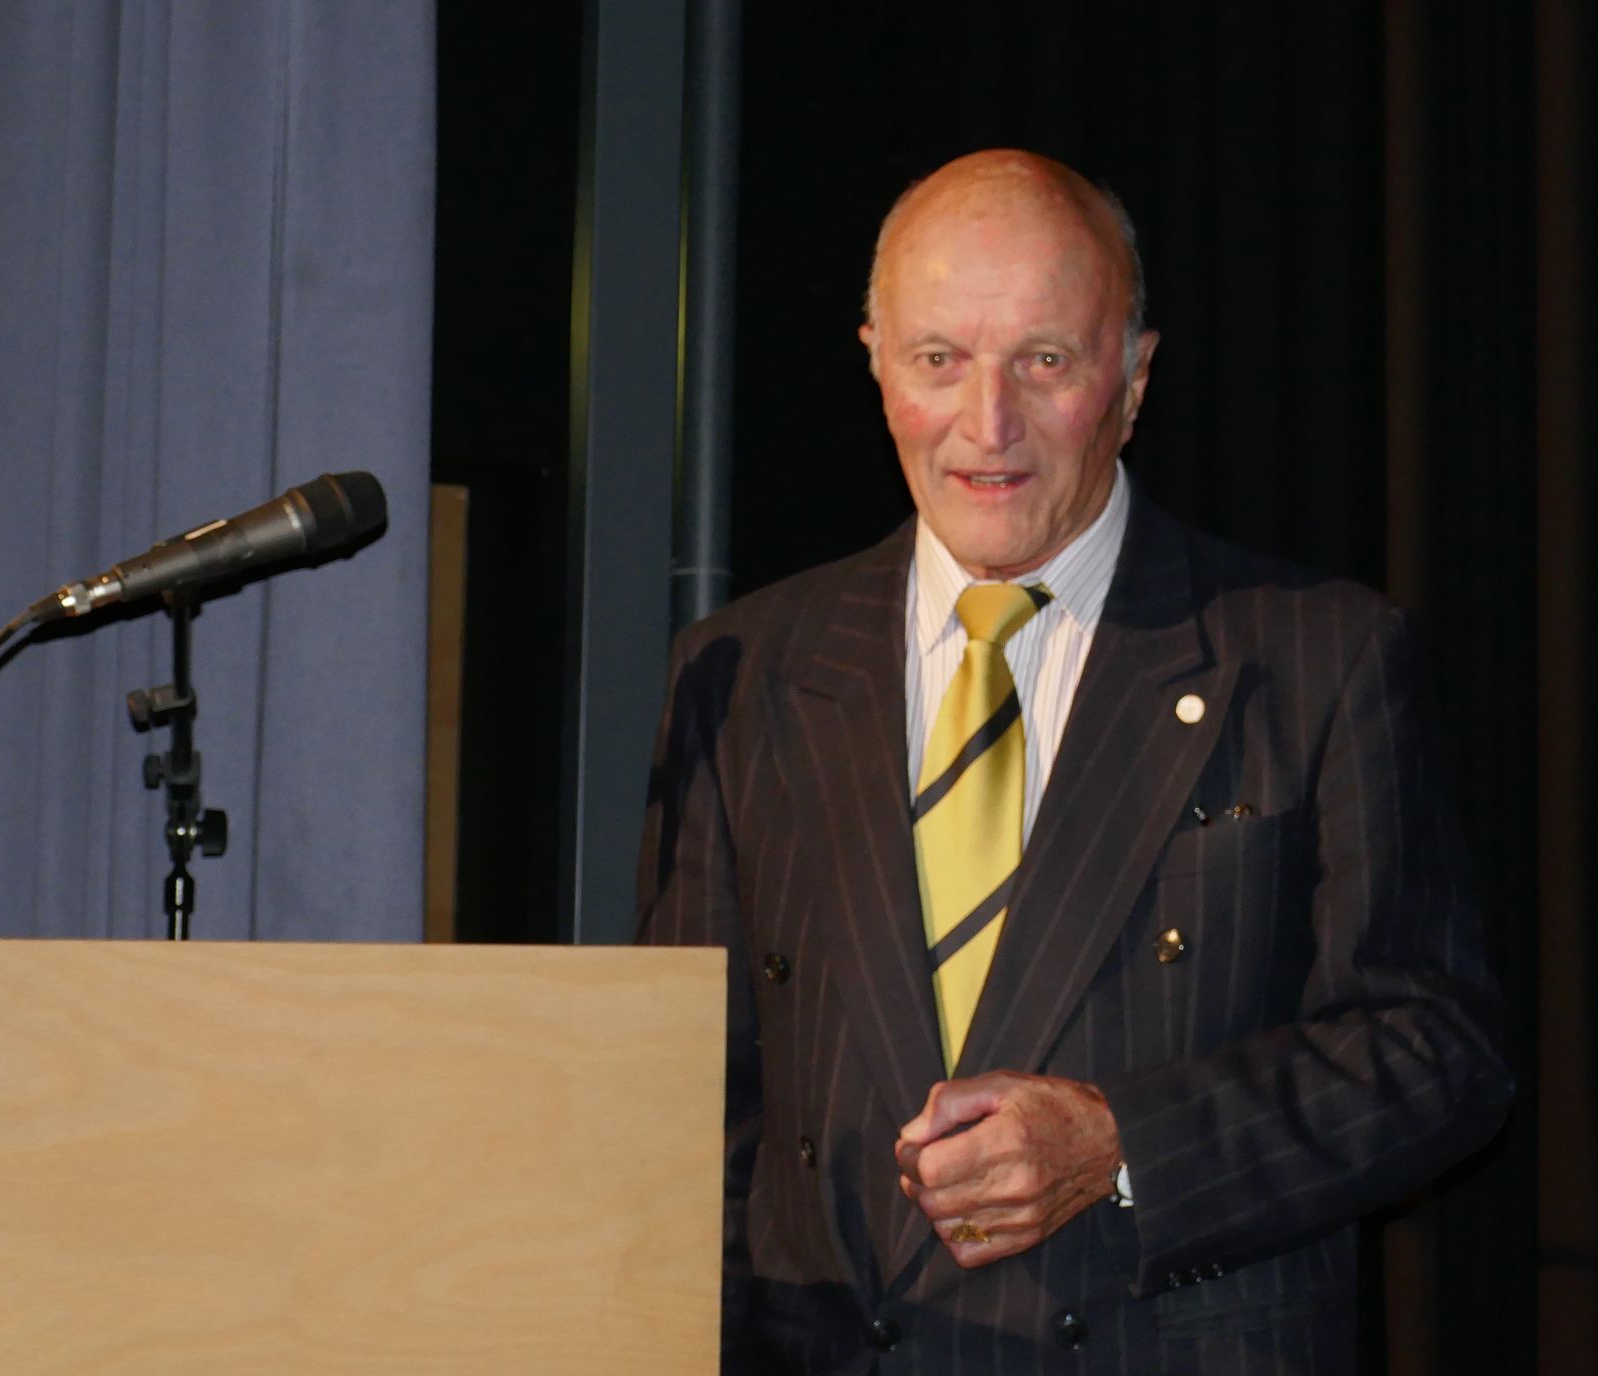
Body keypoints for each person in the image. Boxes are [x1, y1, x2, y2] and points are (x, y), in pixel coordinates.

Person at [637, 149, 1510, 1375]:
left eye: (1044, 361)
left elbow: (1437, 1054)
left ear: (1134, 377)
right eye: (939, 359)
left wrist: (1123, 1143)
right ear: (876, 364)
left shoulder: (1315, 658)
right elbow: (691, 1109)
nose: (987, 423)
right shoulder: (745, 673)